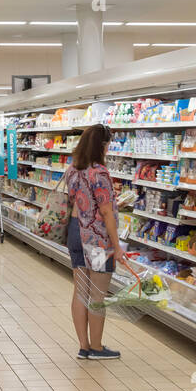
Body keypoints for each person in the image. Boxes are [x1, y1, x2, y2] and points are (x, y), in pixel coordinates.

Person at [62, 125, 133, 361]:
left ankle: (83, 346)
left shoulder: (73, 169)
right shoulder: (99, 172)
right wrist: (117, 246)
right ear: (102, 145)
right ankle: (97, 347)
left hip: (75, 232)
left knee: (80, 292)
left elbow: (80, 201)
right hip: (96, 240)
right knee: (98, 294)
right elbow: (105, 211)